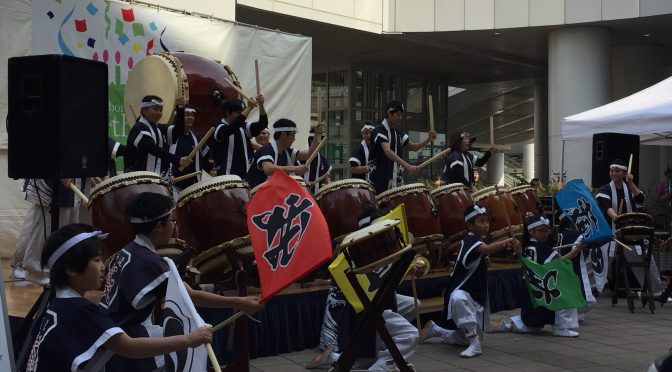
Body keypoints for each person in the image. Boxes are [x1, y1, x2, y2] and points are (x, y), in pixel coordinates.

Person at [99, 192, 262, 370]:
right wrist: (239, 302)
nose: (174, 227)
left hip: (112, 336)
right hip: (130, 344)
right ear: (159, 226)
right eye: (172, 221)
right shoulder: (148, 262)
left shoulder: (125, 253)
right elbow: (190, 296)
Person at [23, 223, 213, 371]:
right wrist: (188, 339)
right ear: (71, 269)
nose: (103, 266)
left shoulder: (59, 304)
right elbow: (129, 347)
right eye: (97, 260)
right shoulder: (77, 309)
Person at [307, 205, 421, 370]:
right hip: (359, 307)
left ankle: (343, 357)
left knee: (414, 304)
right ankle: (381, 366)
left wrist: (409, 265)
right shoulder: (365, 250)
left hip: (370, 302)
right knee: (410, 335)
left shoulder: (364, 249)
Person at [420, 204, 520, 358]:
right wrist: (506, 241)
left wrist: (484, 261)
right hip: (463, 291)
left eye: (486, 221)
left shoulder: (475, 241)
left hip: (475, 292)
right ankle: (474, 344)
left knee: (467, 338)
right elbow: (485, 249)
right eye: (481, 221)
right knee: (459, 300)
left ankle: (437, 330)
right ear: (469, 225)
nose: (486, 225)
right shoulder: (470, 240)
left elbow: (481, 255)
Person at [496, 215, 582, 337]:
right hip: (540, 286)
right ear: (531, 231)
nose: (545, 234)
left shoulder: (530, 246)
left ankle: (511, 324)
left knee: (534, 325)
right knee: (566, 293)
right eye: (541, 230)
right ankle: (561, 327)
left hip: (532, 286)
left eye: (547, 230)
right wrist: (575, 251)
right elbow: (561, 262)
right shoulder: (540, 248)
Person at [594, 158, 663, 295]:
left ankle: (654, 290)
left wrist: (631, 183)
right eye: (612, 171)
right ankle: (591, 288)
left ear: (625, 173)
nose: (614, 174)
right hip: (609, 232)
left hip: (630, 232)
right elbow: (607, 207)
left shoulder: (629, 188)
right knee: (599, 258)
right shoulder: (605, 189)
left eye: (617, 171)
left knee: (642, 256)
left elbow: (640, 199)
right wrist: (617, 218)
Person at [10, 178, 83, 285]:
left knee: (37, 222)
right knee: (45, 223)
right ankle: (36, 270)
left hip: (70, 173)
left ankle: (21, 263)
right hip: (53, 175)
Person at [367, 100, 437, 194]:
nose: (400, 118)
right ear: (389, 113)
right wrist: (407, 166)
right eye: (398, 114)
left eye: (401, 115)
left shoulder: (397, 133)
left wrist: (428, 139)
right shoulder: (379, 131)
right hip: (378, 180)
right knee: (380, 208)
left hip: (395, 181)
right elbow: (387, 151)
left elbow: (414, 147)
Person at [246, 119, 324, 189]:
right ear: (283, 135)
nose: (294, 138)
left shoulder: (287, 151)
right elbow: (268, 169)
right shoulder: (267, 149)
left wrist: (316, 135)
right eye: (293, 135)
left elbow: (308, 155)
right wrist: (295, 168)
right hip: (257, 195)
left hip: (272, 192)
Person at [124, 95, 192, 176]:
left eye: (160, 110)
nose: (159, 113)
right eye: (155, 109)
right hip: (137, 182)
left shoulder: (159, 128)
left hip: (156, 182)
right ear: (143, 110)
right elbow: (152, 148)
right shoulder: (138, 128)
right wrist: (178, 160)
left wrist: (180, 110)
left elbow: (178, 131)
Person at [212, 95, 267, 178]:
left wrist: (261, 105)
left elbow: (262, 124)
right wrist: (248, 107)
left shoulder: (243, 126)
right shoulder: (219, 128)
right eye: (239, 112)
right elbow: (233, 127)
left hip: (246, 175)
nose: (243, 115)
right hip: (227, 176)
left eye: (243, 111)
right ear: (227, 112)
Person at [167, 99, 213, 190]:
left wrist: (211, 170)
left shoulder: (196, 137)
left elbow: (204, 158)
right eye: (187, 115)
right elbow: (163, 156)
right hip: (174, 184)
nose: (190, 118)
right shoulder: (170, 133)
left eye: (192, 115)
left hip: (193, 185)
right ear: (179, 116)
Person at [299, 126, 332, 194]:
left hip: (316, 195)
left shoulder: (322, 158)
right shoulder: (301, 157)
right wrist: (305, 182)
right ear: (311, 141)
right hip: (301, 194)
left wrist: (331, 188)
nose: (321, 142)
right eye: (320, 139)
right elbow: (294, 176)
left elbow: (327, 179)